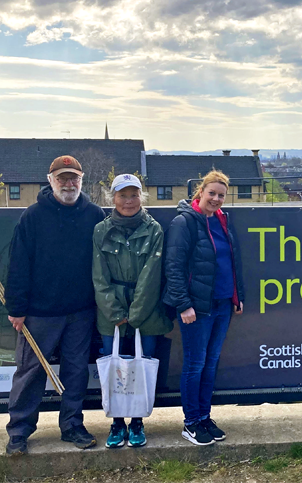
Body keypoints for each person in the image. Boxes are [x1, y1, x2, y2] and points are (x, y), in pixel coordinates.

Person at [4, 155, 106, 455]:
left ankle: (72, 425)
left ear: (81, 180)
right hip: (39, 313)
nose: (68, 183)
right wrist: (17, 308)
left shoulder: (95, 215)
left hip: (81, 311)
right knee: (30, 371)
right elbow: (18, 265)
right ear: (50, 181)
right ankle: (19, 431)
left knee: (76, 371)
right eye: (62, 178)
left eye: (73, 177)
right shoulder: (32, 216)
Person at [163, 170, 245, 446]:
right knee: (195, 365)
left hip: (223, 305)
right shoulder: (184, 222)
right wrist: (184, 305)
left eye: (221, 195)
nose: (216, 198)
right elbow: (172, 268)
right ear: (200, 192)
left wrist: (237, 296)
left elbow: (232, 262)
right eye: (212, 193)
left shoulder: (223, 221)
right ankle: (191, 422)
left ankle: (204, 417)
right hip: (196, 309)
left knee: (210, 364)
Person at [92, 174, 173, 448]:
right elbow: (98, 276)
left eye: (134, 195)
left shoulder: (154, 230)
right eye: (122, 195)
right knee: (114, 368)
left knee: (142, 366)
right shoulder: (100, 231)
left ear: (142, 197)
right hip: (110, 311)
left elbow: (152, 275)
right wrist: (114, 312)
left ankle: (137, 421)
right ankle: (116, 423)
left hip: (146, 311)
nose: (128, 201)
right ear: (112, 198)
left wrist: (137, 313)